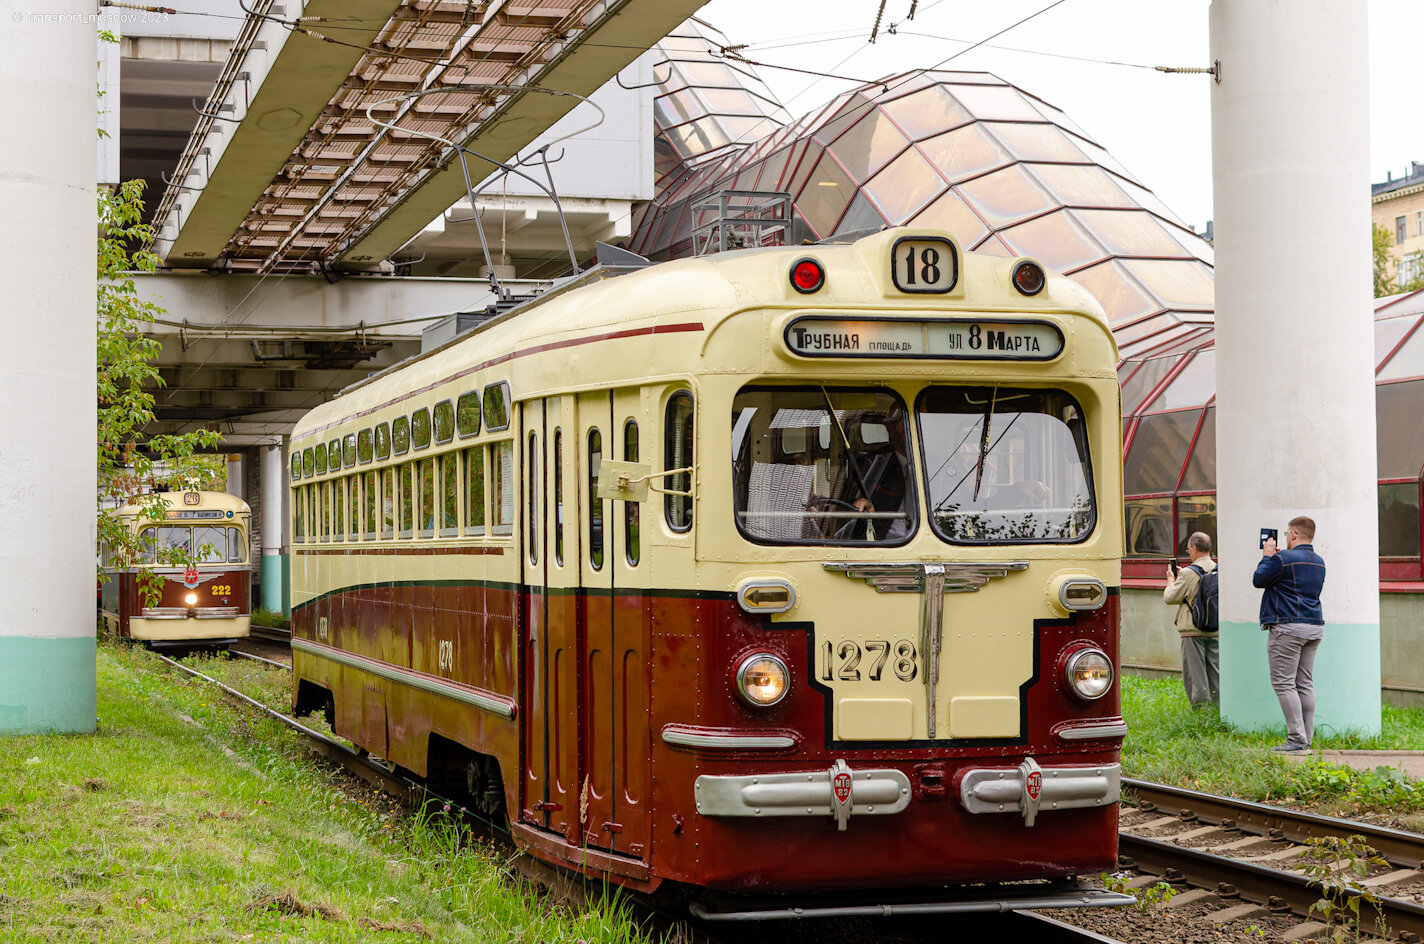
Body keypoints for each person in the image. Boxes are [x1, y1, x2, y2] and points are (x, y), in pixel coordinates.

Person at [1254, 516, 1327, 752]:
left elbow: (1259, 580)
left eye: (1287, 534)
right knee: (1304, 683)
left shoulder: (1282, 559)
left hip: (1287, 627)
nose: (1285, 538)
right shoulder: (1319, 561)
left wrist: (1267, 557)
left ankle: (1296, 739)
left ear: (1293, 534)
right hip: (1314, 627)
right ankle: (1307, 737)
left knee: (1284, 683)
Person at [1163, 532, 1218, 707]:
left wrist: (1171, 581)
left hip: (1192, 630)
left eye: (1188, 550)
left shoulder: (1187, 573)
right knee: (1215, 673)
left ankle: (1201, 711)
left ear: (1194, 548)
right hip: (1215, 629)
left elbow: (1170, 597)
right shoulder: (1219, 571)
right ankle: (1218, 709)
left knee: (1195, 674)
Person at [850, 412, 911, 541]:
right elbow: (846, 507)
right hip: (881, 546)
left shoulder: (936, 466)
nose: (914, 426)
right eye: (906, 418)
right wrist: (864, 505)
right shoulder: (870, 463)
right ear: (890, 427)